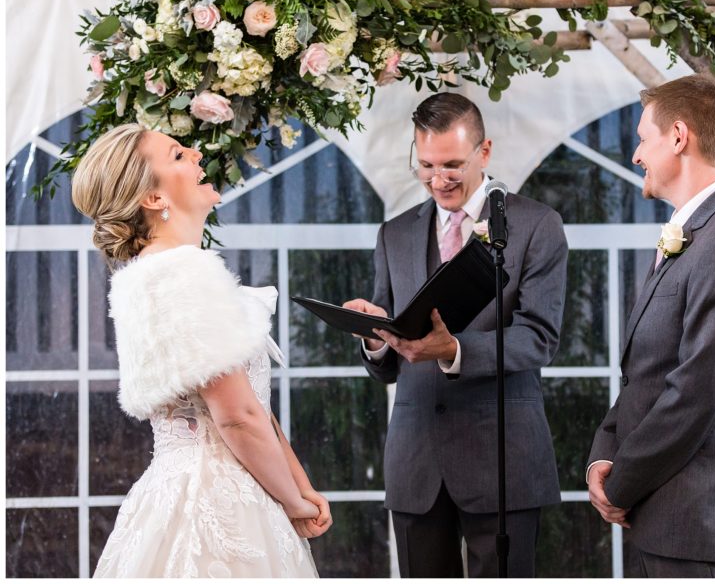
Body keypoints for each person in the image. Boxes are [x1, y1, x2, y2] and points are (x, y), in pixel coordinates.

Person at [70, 124, 331, 576]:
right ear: (154, 199)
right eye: (175, 155)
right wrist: (292, 502)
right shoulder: (182, 274)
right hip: (219, 497)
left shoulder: (146, 276)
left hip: (179, 487)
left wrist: (300, 486)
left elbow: (252, 407)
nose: (195, 153)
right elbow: (236, 417)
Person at [343, 94, 567, 577]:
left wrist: (457, 350)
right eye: (425, 164)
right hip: (415, 461)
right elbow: (386, 364)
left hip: (504, 460)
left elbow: (540, 336)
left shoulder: (535, 226)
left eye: (452, 165)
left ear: (484, 152)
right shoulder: (393, 234)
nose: (437, 178)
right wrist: (376, 337)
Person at [586, 76, 715, 578]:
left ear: (677, 136)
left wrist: (621, 484)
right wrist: (602, 458)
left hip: (707, 527)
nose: (635, 155)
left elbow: (694, 394)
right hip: (673, 520)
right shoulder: (699, 233)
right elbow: (645, 376)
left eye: (642, 138)